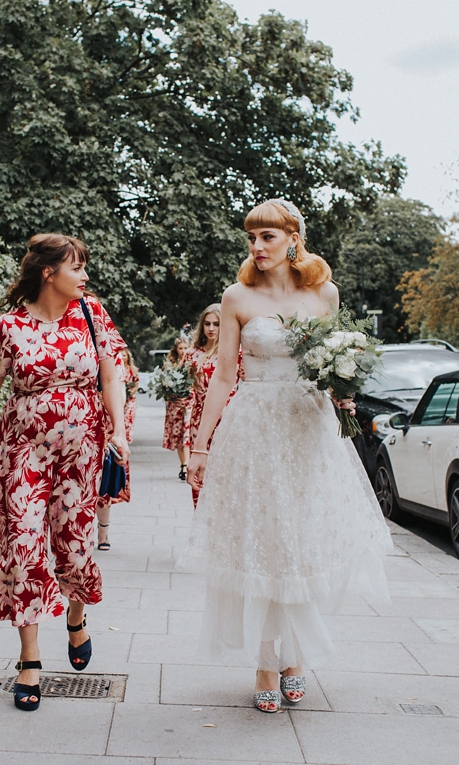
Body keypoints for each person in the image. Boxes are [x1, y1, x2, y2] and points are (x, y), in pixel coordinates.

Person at [182, 199, 392, 714]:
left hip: (309, 429)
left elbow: (339, 362)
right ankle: (264, 661)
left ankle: (295, 658)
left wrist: (344, 390)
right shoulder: (237, 297)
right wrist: (200, 445)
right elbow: (225, 376)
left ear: (293, 237)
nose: (257, 247)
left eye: (267, 237)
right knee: (264, 541)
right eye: (252, 238)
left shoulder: (325, 293)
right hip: (255, 428)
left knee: (301, 542)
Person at [0, 233, 129, 712]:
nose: (86, 276)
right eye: (77, 267)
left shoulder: (92, 314)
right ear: (49, 272)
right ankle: (29, 659)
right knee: (24, 547)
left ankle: (76, 614)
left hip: (82, 453)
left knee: (74, 546)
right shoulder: (9, 326)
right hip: (22, 453)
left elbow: (111, 376)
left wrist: (119, 431)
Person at [184, 304, 241, 508]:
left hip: (228, 417)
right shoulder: (191, 354)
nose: (211, 328)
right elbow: (186, 386)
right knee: (200, 472)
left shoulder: (237, 353)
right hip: (200, 418)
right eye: (207, 323)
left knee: (226, 472)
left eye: (216, 324)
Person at [97, 347, 139, 550]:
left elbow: (119, 394)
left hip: (104, 424)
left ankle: (103, 532)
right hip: (74, 422)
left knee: (104, 481)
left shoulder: (112, 356)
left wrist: (118, 432)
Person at [161, 338, 192, 481]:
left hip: (190, 403)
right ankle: (183, 464)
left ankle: (187, 465)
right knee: (179, 436)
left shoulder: (192, 363)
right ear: (176, 350)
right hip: (175, 405)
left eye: (186, 348)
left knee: (187, 434)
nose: (184, 351)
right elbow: (164, 386)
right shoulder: (169, 366)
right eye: (181, 348)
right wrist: (173, 397)